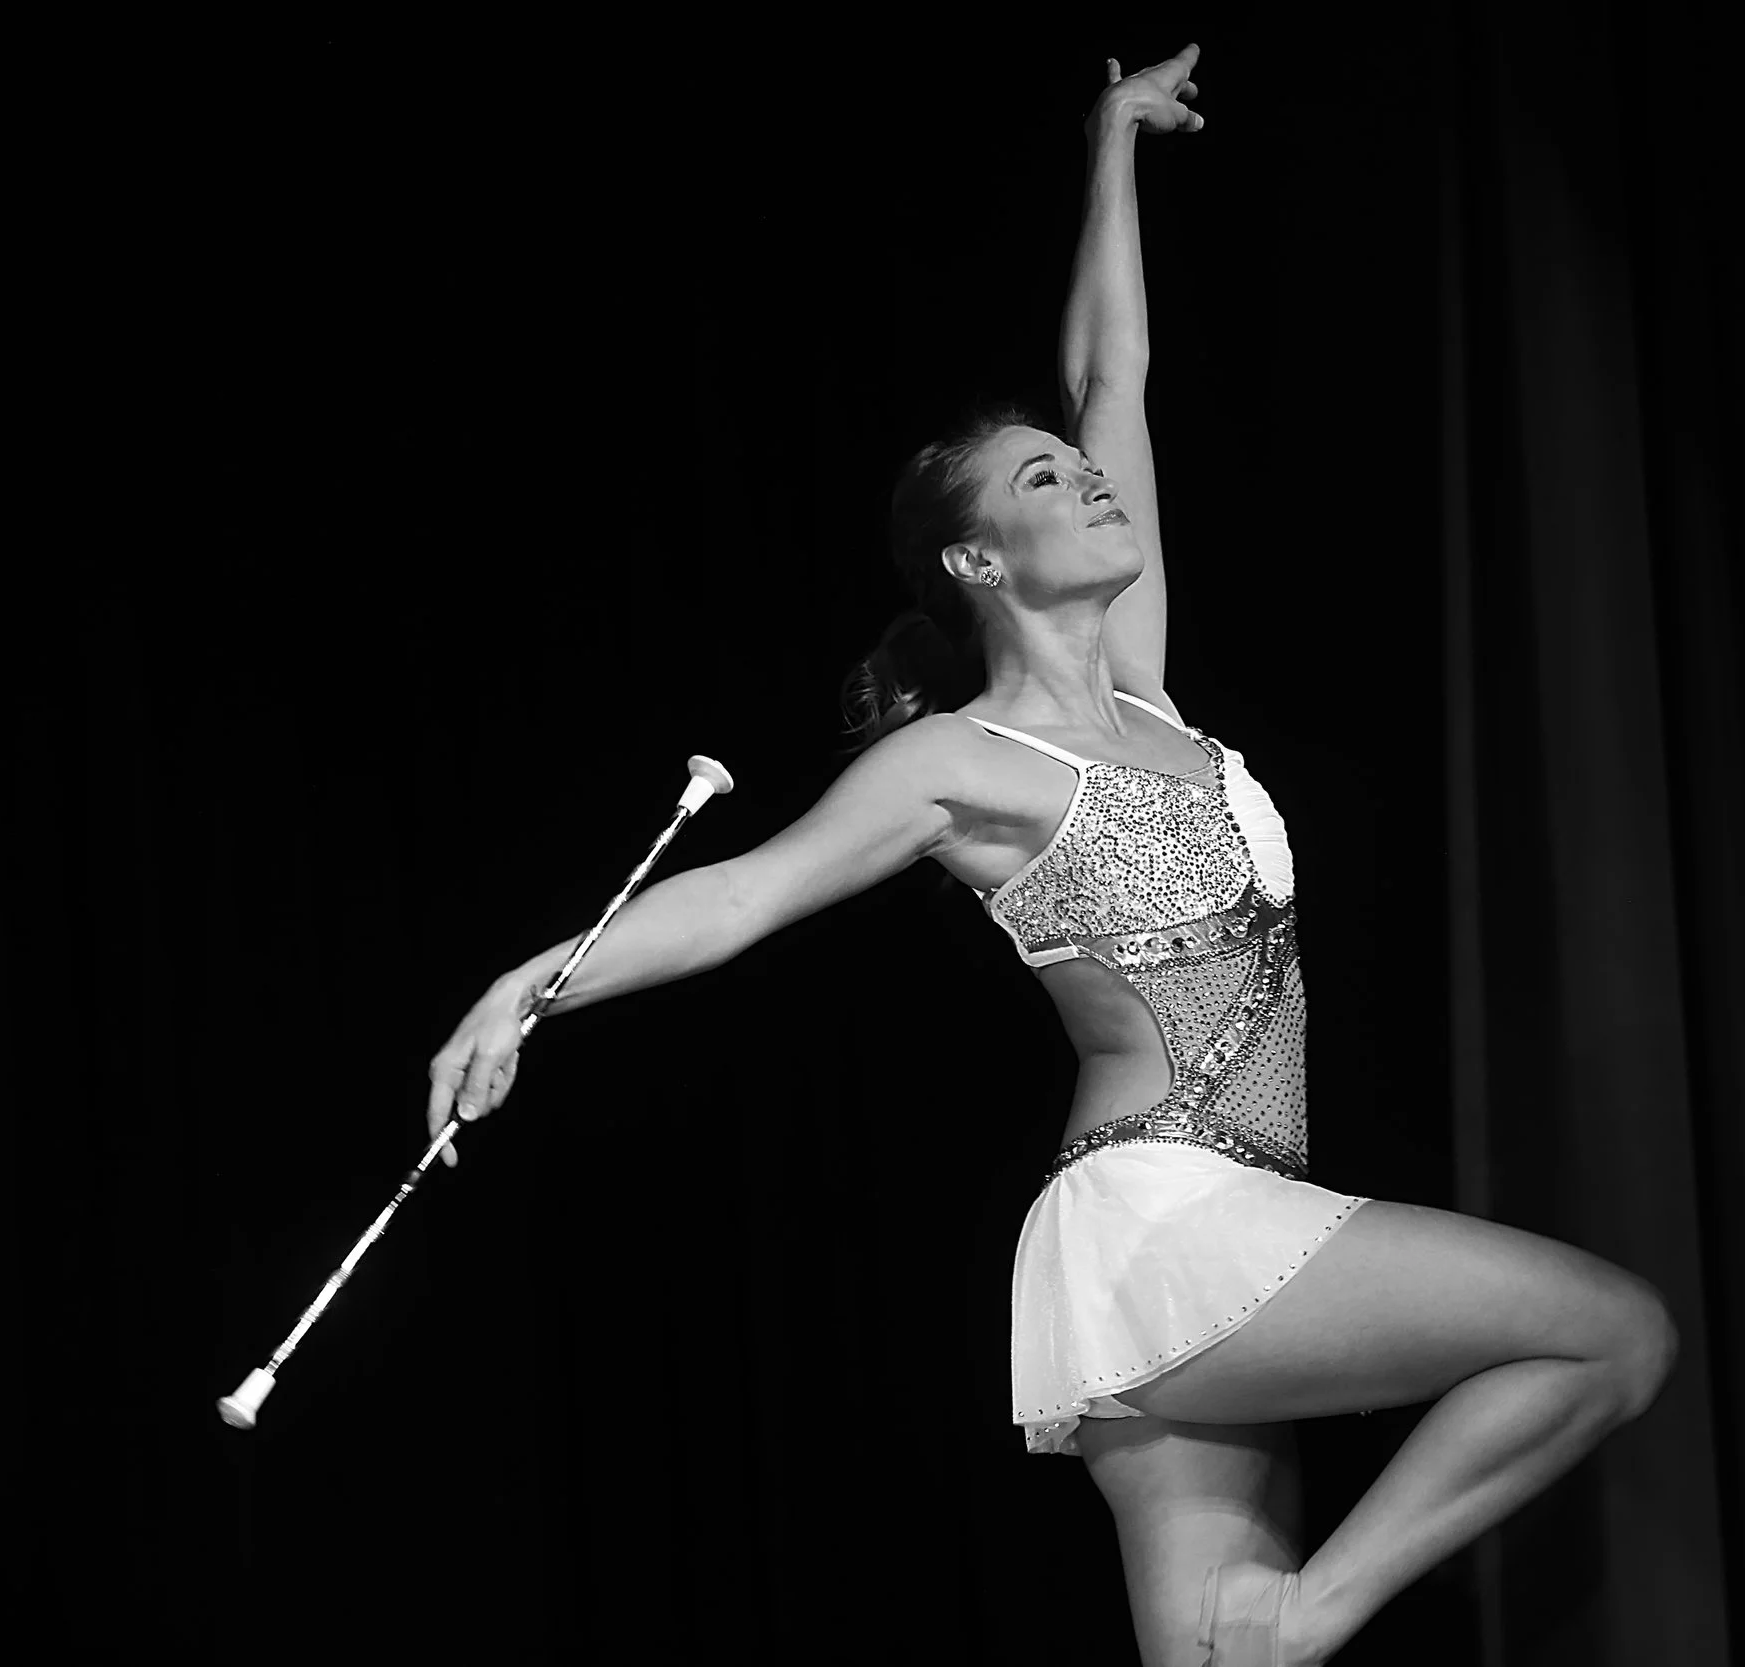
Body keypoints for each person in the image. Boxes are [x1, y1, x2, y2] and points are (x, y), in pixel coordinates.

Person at [424, 45, 1676, 1667]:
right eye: (1039, 481)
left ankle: (1273, 1629)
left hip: (1223, 1232)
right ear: (975, 559)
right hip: (1162, 1226)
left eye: (1075, 471)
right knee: (1609, 1333)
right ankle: (1313, 1617)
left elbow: (1114, 375)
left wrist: (1112, 144)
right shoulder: (958, 762)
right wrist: (520, 993)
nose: (1084, 476)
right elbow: (745, 895)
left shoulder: (1146, 686)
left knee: (1210, 1651)